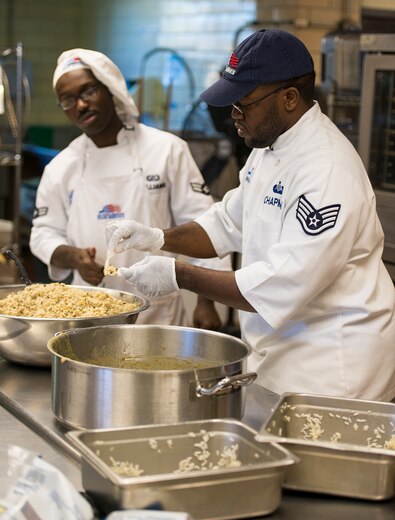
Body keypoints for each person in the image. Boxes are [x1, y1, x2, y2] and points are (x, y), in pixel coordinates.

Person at [105, 29, 395, 401]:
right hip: (279, 355)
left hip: (331, 368)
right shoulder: (268, 145)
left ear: (290, 98)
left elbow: (279, 284)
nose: (234, 116)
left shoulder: (327, 170)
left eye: (243, 104)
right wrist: (159, 237)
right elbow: (227, 222)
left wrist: (179, 274)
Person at [29, 48, 231, 328]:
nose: (81, 105)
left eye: (88, 92)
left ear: (110, 88)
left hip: (157, 315)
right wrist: (75, 259)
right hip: (87, 311)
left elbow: (205, 225)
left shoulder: (166, 150)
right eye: (68, 100)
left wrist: (206, 302)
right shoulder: (62, 167)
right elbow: (43, 233)